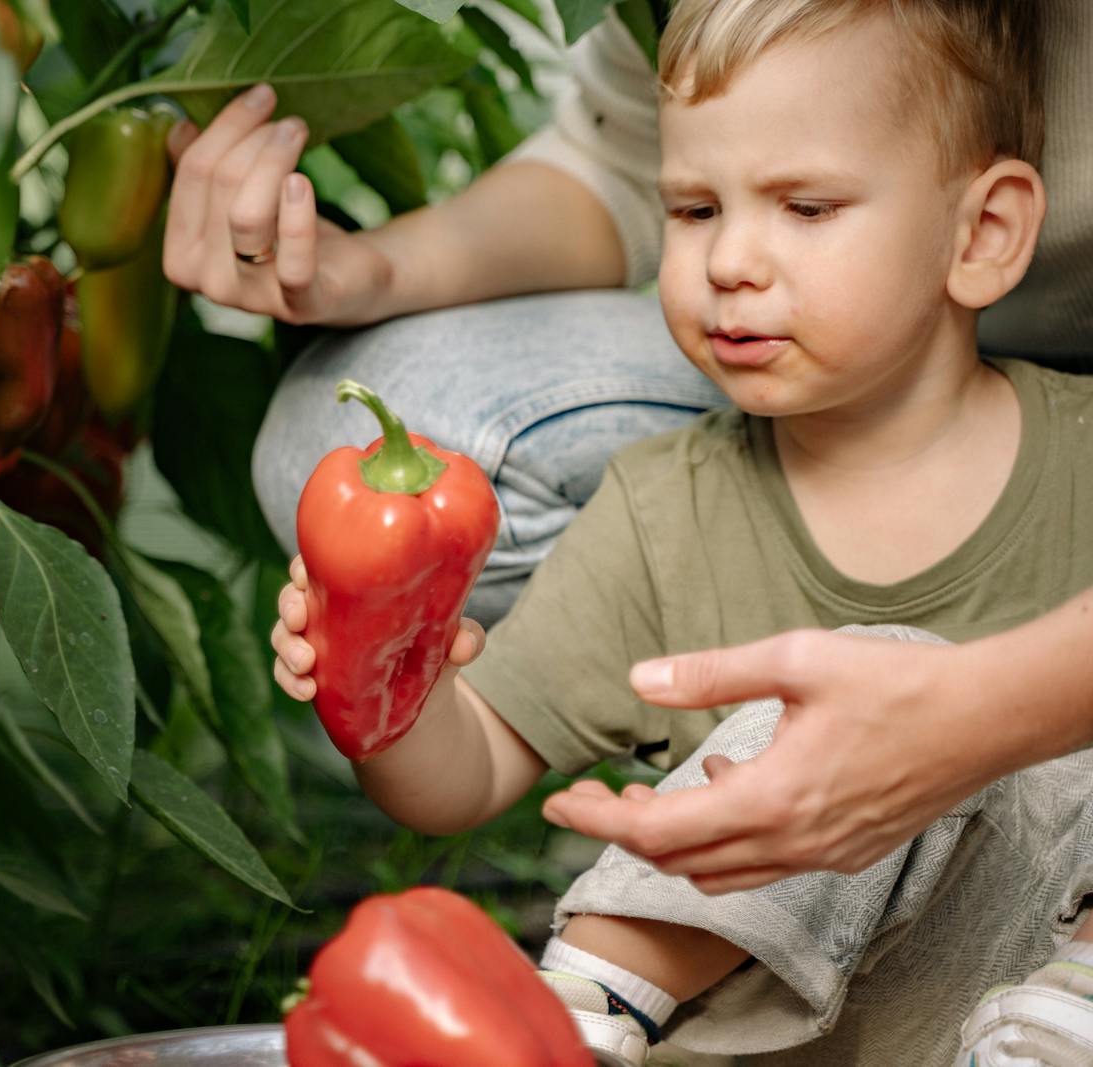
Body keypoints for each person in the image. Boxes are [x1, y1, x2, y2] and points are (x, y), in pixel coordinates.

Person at [257, 0, 1093, 1062]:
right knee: (840, 692)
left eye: (805, 206)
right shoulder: (666, 506)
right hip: (790, 1020)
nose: (730, 260)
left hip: (1043, 985)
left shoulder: (1080, 462)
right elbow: (462, 775)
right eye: (694, 209)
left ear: (980, 233)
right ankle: (566, 1028)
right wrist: (387, 678)